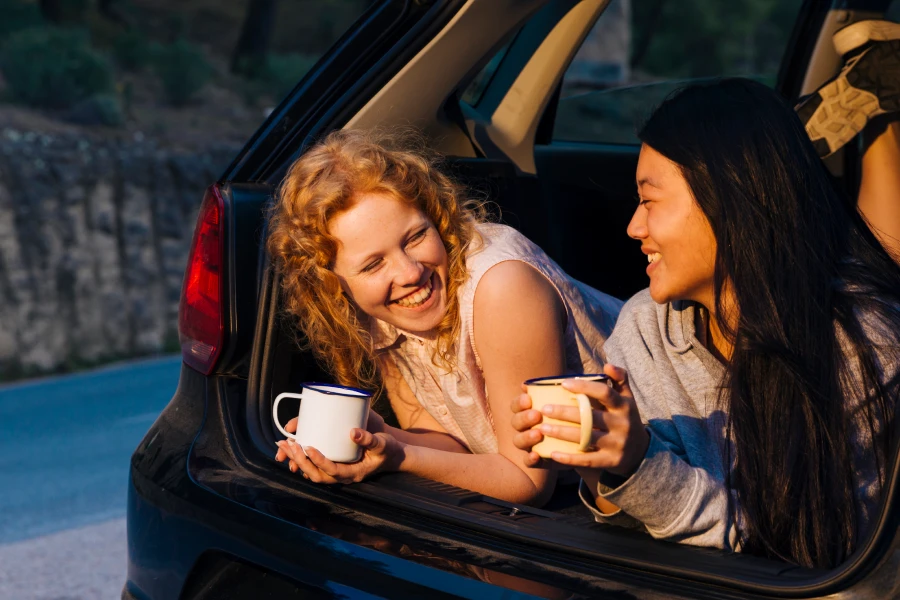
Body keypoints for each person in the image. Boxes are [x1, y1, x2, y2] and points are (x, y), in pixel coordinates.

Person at [511, 22, 900, 569]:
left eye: (650, 200)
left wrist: (643, 467)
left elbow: (808, 562)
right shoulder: (645, 327)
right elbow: (630, 521)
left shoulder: (864, 344)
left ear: (730, 201)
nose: (632, 227)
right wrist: (602, 466)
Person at [266, 129, 622, 506]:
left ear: (435, 215)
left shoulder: (502, 286)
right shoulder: (377, 308)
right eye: (373, 264)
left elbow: (528, 481)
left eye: (416, 236)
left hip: (661, 470)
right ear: (334, 284)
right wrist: (378, 437)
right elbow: (451, 445)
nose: (409, 273)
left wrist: (399, 457)